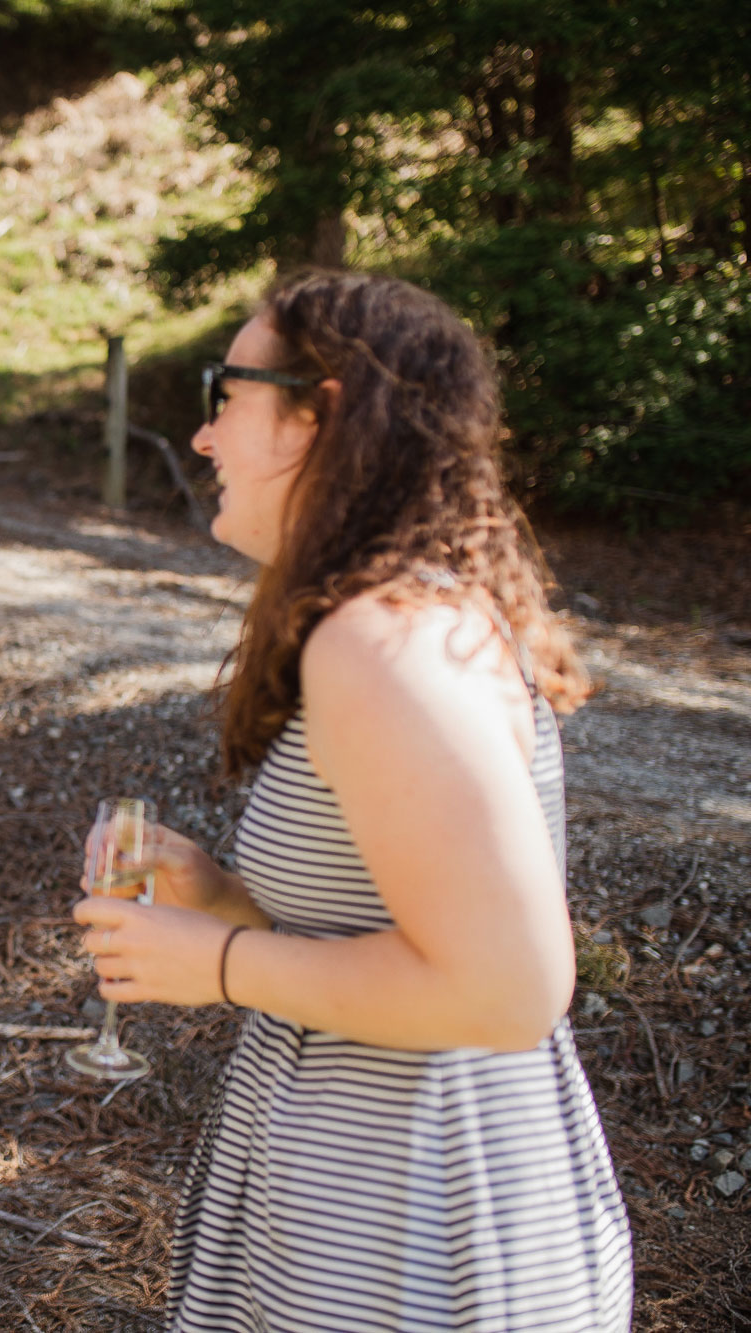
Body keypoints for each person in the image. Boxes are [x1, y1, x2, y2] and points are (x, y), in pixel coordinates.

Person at [71, 270, 632, 1331]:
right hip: (361, 1204)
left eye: (223, 395)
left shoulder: (381, 642)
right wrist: (226, 898)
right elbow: (386, 932)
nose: (200, 439)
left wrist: (218, 965)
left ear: (316, 413)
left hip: (426, 1229)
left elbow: (509, 988)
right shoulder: (385, 618)